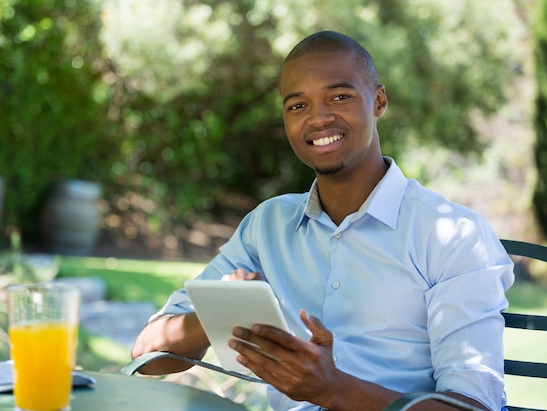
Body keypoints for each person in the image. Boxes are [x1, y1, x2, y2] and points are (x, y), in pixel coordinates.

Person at [130, 30, 515, 411]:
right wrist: (225, 313)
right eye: (298, 106)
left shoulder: (452, 235)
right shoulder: (267, 227)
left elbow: (473, 407)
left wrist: (333, 390)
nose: (318, 118)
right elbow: (147, 358)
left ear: (379, 101)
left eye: (339, 96)